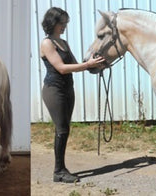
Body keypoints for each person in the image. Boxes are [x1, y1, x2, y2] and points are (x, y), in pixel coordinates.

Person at [40, 7, 105, 183]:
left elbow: (76, 65)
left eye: (65, 23)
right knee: (61, 129)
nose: (64, 26)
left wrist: (95, 63)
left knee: (65, 128)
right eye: (62, 23)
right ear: (53, 23)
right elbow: (61, 68)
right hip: (54, 89)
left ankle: (60, 168)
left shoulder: (64, 43)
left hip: (68, 88)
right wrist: (87, 65)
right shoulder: (47, 43)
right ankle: (58, 171)